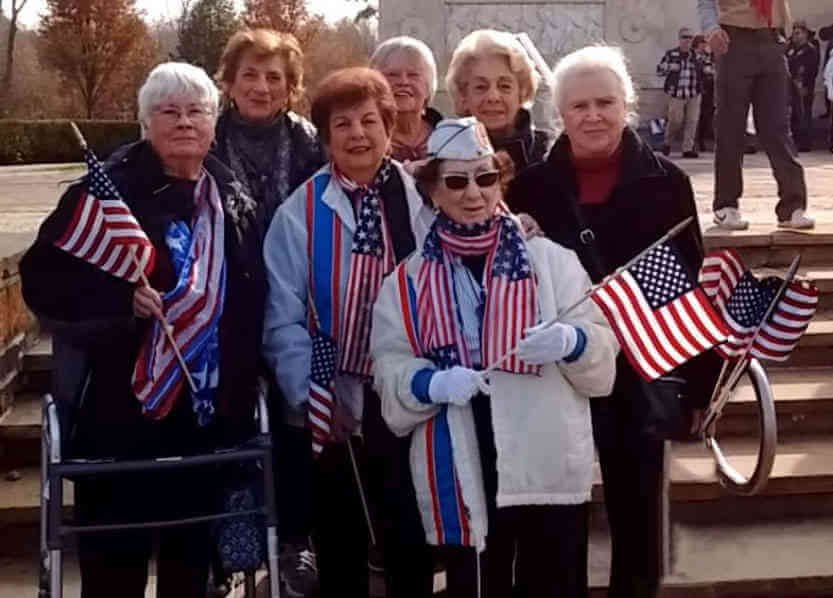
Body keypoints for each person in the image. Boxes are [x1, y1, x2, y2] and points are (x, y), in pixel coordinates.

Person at [19, 62, 266, 598]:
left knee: (190, 569)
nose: (184, 122)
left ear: (213, 122)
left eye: (196, 111)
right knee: (115, 572)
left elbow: (251, 299)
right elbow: (41, 281)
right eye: (168, 111)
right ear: (144, 122)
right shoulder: (102, 197)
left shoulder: (233, 197)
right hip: (119, 414)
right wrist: (118, 300)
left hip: (207, 418)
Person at [507, 46, 724, 598]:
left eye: (605, 102)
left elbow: (690, 285)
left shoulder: (666, 181)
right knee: (557, 522)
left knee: (638, 515)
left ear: (626, 105)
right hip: (559, 375)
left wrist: (701, 385)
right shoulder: (529, 187)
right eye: (578, 105)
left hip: (639, 368)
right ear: (560, 114)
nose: (593, 115)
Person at [371, 117, 618, 597]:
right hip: (467, 457)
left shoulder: (552, 260)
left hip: (544, 457)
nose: (474, 193)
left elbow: (604, 356)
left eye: (485, 177)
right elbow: (389, 369)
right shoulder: (407, 281)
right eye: (457, 181)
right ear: (432, 191)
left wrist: (572, 341)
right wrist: (431, 383)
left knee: (553, 584)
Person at [262, 67, 436, 598]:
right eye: (343, 124)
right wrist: (311, 392)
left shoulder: (422, 199)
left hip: (408, 394)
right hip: (335, 398)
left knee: (410, 534)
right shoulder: (299, 213)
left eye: (369, 120)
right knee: (341, 540)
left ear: (389, 125)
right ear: (326, 135)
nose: (358, 134)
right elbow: (281, 318)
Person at [212, 27, 325, 596]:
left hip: (294, 303)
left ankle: (296, 543)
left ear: (290, 88)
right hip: (224, 308)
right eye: (250, 74)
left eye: (274, 77)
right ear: (229, 82)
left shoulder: (309, 144)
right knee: (230, 426)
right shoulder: (203, 138)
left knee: (294, 422)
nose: (261, 86)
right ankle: (233, 555)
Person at [698, 0, 814, 230]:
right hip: (734, 38)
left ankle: (792, 207)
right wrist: (711, 28)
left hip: (772, 39)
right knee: (731, 127)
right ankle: (726, 205)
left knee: (777, 127)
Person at [446, 29, 555, 170]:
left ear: (522, 92)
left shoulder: (551, 153)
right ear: (463, 95)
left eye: (504, 86)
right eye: (481, 87)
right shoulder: (446, 159)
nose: (493, 97)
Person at [371, 36, 444, 163]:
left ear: (428, 86)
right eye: (392, 75)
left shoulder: (449, 136)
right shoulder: (365, 139)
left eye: (413, 75)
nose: (403, 82)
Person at [657, 27, 707, 158]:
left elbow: (707, 68)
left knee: (692, 121)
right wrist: (670, 67)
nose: (687, 40)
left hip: (694, 93)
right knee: (675, 120)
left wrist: (708, 71)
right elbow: (659, 70)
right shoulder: (671, 54)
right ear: (679, 39)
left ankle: (687, 149)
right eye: (684, 37)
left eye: (690, 37)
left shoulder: (697, 55)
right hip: (677, 93)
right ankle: (667, 142)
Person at [786, 21, 820, 152]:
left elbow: (812, 69)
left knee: (804, 114)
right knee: (795, 114)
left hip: (804, 86)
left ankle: (805, 143)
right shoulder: (792, 49)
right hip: (792, 86)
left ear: (805, 34)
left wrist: (804, 84)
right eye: (794, 33)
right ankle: (795, 140)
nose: (795, 36)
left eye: (798, 33)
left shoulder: (810, 49)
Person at [693, 34, 716, 152]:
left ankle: (703, 140)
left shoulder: (709, 57)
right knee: (698, 117)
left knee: (707, 116)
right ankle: (697, 141)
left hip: (709, 90)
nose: (705, 45)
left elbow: (712, 69)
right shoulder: (693, 57)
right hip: (697, 89)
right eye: (703, 43)